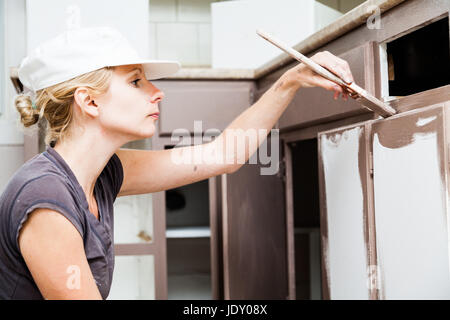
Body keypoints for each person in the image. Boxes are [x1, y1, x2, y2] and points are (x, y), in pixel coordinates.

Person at [0, 26, 354, 300]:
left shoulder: (103, 173)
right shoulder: (46, 198)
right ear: (89, 102)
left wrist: (289, 82)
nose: (157, 91)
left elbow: (222, 156)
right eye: (136, 81)